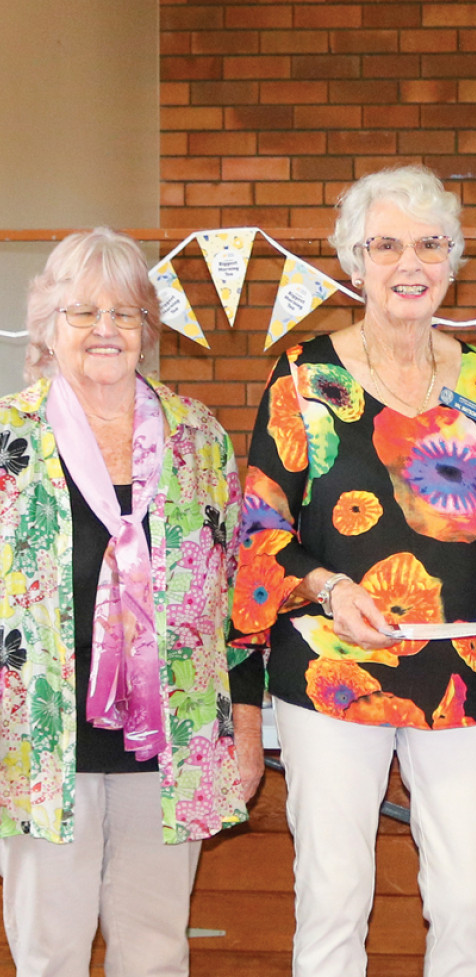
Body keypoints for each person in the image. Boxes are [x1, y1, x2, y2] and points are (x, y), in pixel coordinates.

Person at [230, 164, 476, 977]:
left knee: (470, 898)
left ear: (453, 259)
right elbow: (262, 534)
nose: (409, 262)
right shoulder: (305, 378)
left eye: (429, 243)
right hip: (333, 673)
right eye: (386, 244)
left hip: (464, 671)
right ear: (352, 261)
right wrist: (332, 588)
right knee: (335, 897)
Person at [0, 228, 259, 977]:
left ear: (148, 328)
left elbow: (239, 594)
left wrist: (243, 724)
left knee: (156, 951)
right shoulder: (10, 435)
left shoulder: (198, 438)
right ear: (49, 325)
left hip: (172, 744)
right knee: (50, 953)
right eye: (84, 312)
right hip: (39, 744)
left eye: (125, 313)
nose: (106, 330)